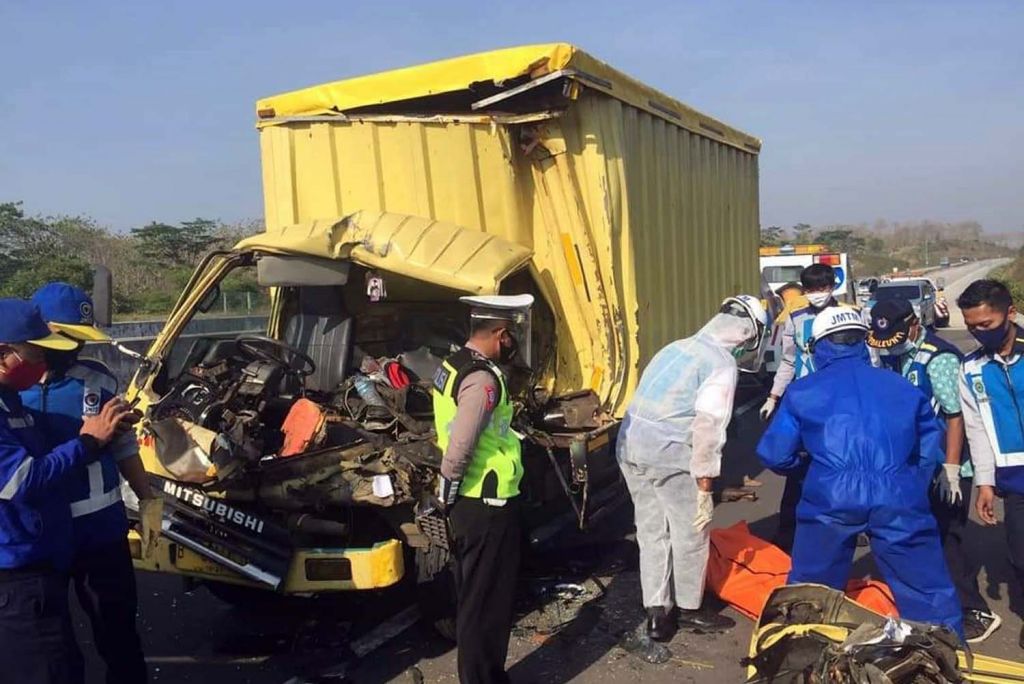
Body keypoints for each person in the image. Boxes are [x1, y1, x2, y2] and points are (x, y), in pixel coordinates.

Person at [757, 306, 963, 638]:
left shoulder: (803, 391)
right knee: (927, 587)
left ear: (818, 346)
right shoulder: (902, 387)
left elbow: (774, 454)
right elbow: (927, 448)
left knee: (813, 589)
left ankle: (806, 647)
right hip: (897, 493)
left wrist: (809, 469)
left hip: (830, 495)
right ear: (863, 342)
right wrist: (909, 482)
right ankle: (944, 648)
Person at [22, 283, 160, 683]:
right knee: (53, 644)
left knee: (118, 636)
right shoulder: (11, 390)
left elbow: (124, 445)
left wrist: (147, 499)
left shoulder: (98, 380)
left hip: (100, 531)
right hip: (40, 536)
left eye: (81, 339)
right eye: (68, 338)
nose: (76, 348)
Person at [617, 295, 768, 641]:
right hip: (668, 453)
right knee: (691, 532)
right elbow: (708, 427)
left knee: (651, 531)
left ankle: (656, 612)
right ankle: (689, 608)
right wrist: (705, 485)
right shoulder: (721, 363)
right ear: (748, 335)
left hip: (630, 447)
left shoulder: (675, 347)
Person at [0, 299, 135, 684]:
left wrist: (112, 432)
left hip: (82, 539)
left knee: (99, 644)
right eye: (37, 352)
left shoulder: (14, 398)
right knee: (48, 664)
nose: (45, 359)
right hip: (21, 564)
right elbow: (22, 479)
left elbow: (122, 447)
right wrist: (87, 441)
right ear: (5, 353)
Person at [867, 297, 1000, 643]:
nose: (891, 346)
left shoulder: (938, 358)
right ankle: (932, 605)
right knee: (923, 536)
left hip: (946, 464)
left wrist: (951, 468)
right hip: (915, 464)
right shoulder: (893, 354)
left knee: (947, 537)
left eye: (898, 337)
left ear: (914, 324)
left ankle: (974, 610)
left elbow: (955, 416)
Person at [432, 294, 534, 684]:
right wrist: (447, 489)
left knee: (475, 594)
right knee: (487, 602)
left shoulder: (452, 364)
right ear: (500, 334)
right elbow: (462, 443)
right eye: (511, 337)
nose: (513, 344)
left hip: (471, 500)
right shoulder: (482, 379)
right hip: (486, 500)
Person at [957, 279, 1024, 650]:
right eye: (972, 327)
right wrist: (984, 482)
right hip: (1014, 477)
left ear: (1009, 313)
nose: (979, 332)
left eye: (986, 324)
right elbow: (977, 429)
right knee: (1020, 553)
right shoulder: (971, 368)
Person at [760, 263, 839, 552]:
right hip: (805, 403)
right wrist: (773, 396)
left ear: (832, 287)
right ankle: (788, 535)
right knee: (797, 473)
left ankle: (842, 530)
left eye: (823, 287)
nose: (818, 293)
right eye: (812, 289)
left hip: (837, 405)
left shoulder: (848, 317)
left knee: (837, 468)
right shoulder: (796, 318)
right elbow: (789, 360)